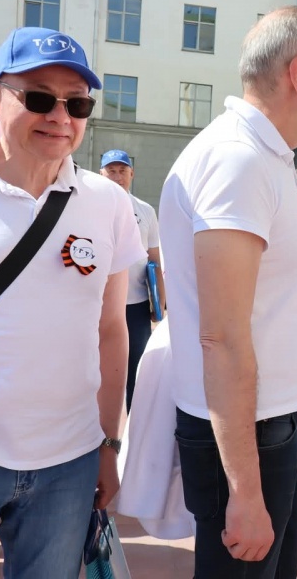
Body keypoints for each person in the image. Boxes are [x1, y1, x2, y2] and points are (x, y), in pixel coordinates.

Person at [0, 27, 144, 577]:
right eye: (38, 98)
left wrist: (108, 443)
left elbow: (111, 330)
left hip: (67, 464)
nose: (60, 116)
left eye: (77, 103)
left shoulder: (109, 203)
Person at [158, 6, 297, 578]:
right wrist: (243, 491)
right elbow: (222, 337)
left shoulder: (259, 155)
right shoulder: (237, 160)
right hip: (249, 438)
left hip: (264, 426)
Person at [99, 148, 165, 413]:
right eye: (111, 171)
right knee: (96, 366)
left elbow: (154, 258)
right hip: (98, 303)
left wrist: (159, 303)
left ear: (132, 174)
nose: (117, 177)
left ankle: (132, 428)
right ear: (101, 174)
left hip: (135, 304)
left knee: (136, 367)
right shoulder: (90, 207)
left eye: (122, 171)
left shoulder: (145, 211)